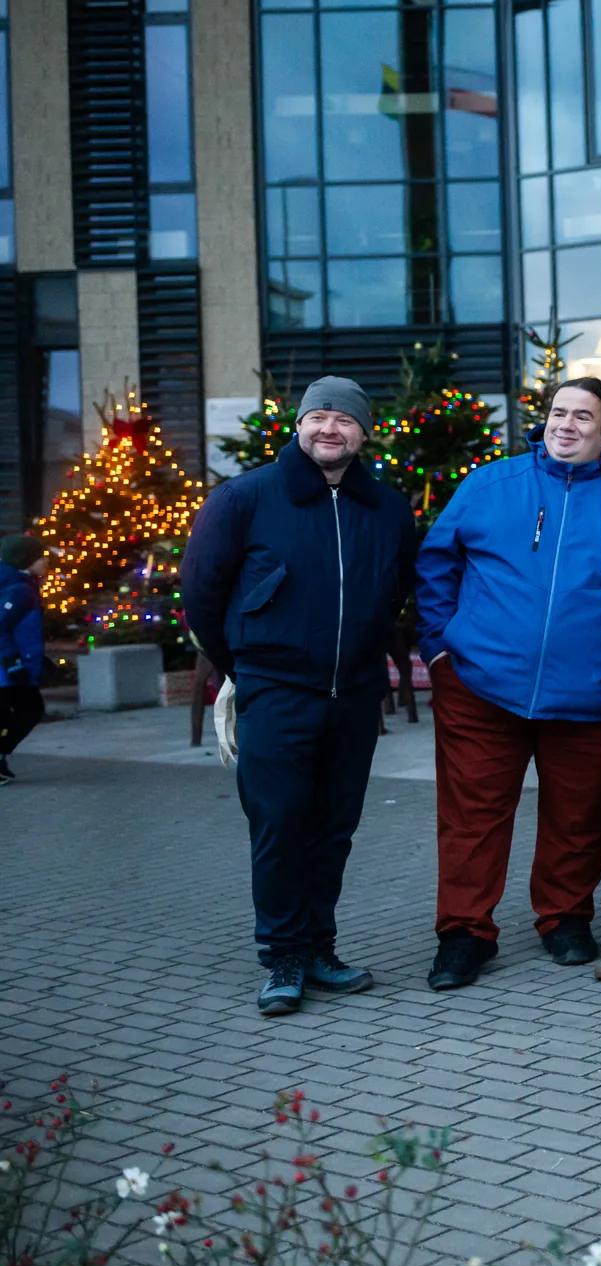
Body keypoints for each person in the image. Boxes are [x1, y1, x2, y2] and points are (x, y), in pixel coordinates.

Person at [182, 377, 416, 1016]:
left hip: (354, 695)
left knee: (334, 828)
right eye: (318, 416)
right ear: (299, 425)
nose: (329, 428)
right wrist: (248, 666)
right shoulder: (246, 498)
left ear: (364, 432)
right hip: (278, 692)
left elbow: (394, 590)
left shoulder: (387, 509)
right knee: (281, 825)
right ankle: (282, 955)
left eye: (344, 418)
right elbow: (201, 593)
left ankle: (319, 948)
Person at [413, 376, 601, 991]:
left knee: (579, 815)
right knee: (471, 818)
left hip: (588, 693)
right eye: (559, 412)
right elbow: (436, 562)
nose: (567, 425)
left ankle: (564, 918)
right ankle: (464, 933)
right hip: (481, 688)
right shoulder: (492, 483)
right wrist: (438, 651)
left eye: (583, 417)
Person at [0, 534, 49, 781]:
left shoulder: (19, 584)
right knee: (30, 709)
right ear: (24, 560)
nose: (45, 561)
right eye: (39, 557)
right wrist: (13, 663)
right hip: (9, 669)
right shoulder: (19, 589)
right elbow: (2, 627)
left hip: (15, 664)